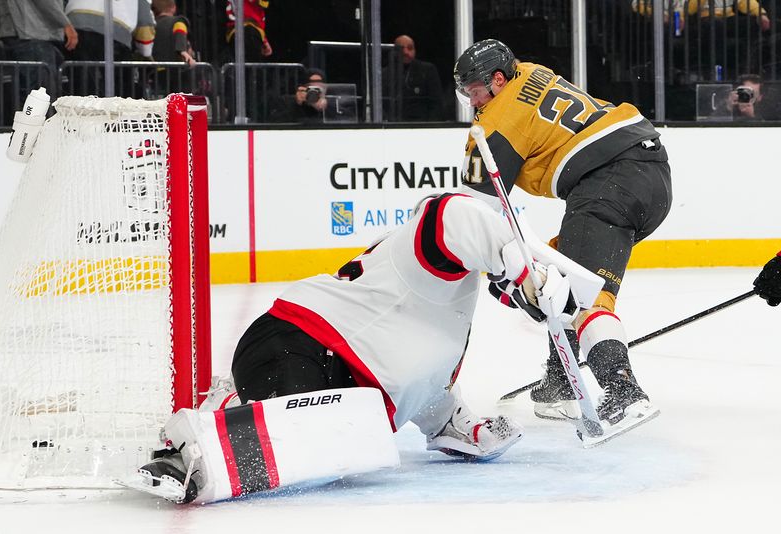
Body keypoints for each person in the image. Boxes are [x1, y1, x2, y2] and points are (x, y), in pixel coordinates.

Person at [124, 192, 605, 503]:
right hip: (298, 341)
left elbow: (428, 398)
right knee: (309, 440)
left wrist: (467, 430)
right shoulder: (423, 249)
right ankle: (195, 441)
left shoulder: (450, 319)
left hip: (336, 379)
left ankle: (237, 409)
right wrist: (531, 274)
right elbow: (452, 214)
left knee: (348, 443)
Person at [455, 39, 672, 428]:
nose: (473, 102)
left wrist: (502, 271)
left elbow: (473, 211)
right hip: (652, 170)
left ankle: (624, 393)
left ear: (498, 80)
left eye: (474, 92)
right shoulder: (533, 70)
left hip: (609, 181)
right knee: (564, 277)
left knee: (587, 296)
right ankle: (559, 383)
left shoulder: (493, 126)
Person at [0, 0, 77, 75]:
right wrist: (65, 24)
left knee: (24, 88)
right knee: (41, 87)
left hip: (12, 33)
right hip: (33, 35)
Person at [386, 35, 443, 121]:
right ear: (394, 52)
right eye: (400, 49)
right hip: (393, 125)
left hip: (422, 125)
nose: (405, 52)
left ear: (414, 50)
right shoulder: (385, 73)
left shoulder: (427, 70)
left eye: (410, 48)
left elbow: (436, 104)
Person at [151, 0, 195, 66]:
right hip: (174, 70)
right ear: (174, 8)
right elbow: (180, 28)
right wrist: (182, 51)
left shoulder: (150, 25)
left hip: (153, 71)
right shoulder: (177, 21)